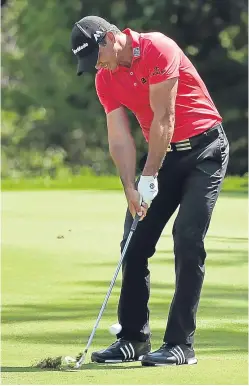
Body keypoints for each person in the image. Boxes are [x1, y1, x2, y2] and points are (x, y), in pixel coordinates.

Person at [71, 15, 229, 366]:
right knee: (135, 239)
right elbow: (119, 138)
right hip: (164, 155)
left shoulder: (158, 48)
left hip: (205, 151)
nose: (97, 65)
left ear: (110, 38)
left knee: (187, 238)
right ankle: (133, 338)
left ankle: (180, 345)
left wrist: (149, 174)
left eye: (97, 55)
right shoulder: (105, 79)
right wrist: (130, 186)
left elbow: (165, 118)